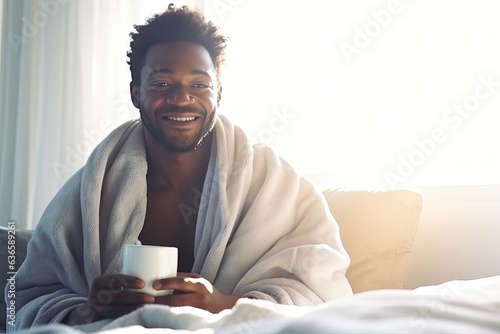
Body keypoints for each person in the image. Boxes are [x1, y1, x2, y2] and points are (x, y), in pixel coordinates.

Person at [9, 4, 352, 330]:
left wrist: (223, 305)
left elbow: (322, 298)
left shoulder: (275, 185)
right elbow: (25, 300)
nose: (181, 98)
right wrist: (86, 311)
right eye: (162, 83)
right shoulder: (92, 188)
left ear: (218, 93)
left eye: (199, 84)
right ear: (135, 93)